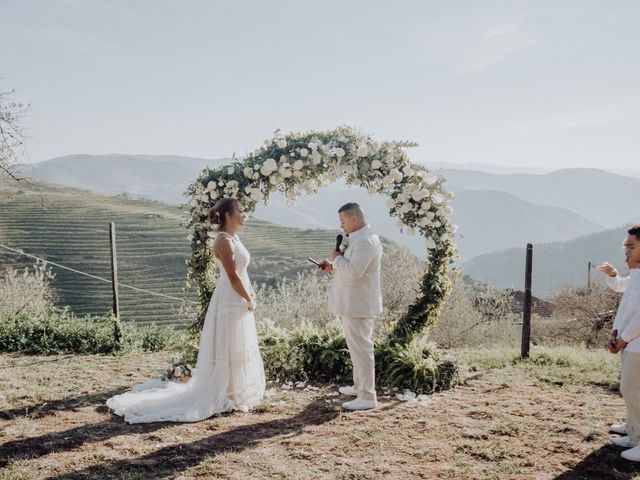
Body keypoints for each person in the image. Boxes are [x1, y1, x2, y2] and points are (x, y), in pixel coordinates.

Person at [107, 198, 265, 423]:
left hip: (238, 297)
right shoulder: (223, 241)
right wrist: (249, 298)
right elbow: (232, 276)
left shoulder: (234, 238)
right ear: (228, 215)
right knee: (229, 342)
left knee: (236, 344)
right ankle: (223, 393)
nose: (244, 214)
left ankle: (234, 392)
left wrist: (248, 296)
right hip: (231, 297)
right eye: (240, 211)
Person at [318, 203, 383, 411]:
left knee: (362, 349)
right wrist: (333, 266)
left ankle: (367, 396)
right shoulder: (358, 238)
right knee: (356, 348)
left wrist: (336, 260)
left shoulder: (365, 241)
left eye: (343, 221)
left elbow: (355, 272)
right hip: (352, 304)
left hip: (359, 305)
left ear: (354, 219)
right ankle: (359, 387)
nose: (341, 225)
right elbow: (350, 268)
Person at [601, 225, 640, 461]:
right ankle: (633, 431)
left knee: (632, 389)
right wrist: (613, 275)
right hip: (629, 344)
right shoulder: (637, 274)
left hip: (635, 344)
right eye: (625, 245)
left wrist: (624, 339)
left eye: (631, 246)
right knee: (630, 388)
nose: (626, 250)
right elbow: (621, 287)